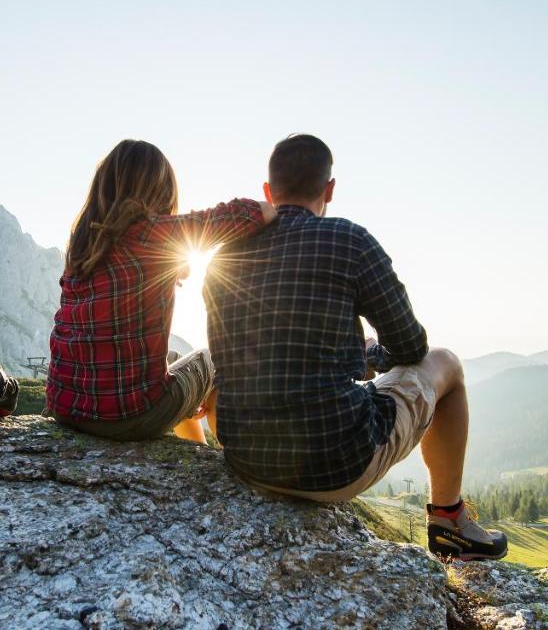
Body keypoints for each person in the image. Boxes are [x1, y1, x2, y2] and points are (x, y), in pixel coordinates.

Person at [203, 134, 507, 560]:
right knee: (448, 365)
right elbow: (409, 344)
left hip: (246, 460)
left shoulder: (223, 257)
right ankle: (449, 521)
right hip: (334, 465)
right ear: (329, 189)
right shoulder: (349, 242)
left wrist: (353, 356)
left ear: (267, 192)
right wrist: (371, 357)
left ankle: (449, 522)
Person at [46, 139, 276, 443]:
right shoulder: (153, 234)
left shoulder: (82, 245)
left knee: (174, 357)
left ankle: (196, 447)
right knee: (210, 360)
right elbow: (248, 214)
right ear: (161, 190)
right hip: (128, 418)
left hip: (66, 409)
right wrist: (277, 207)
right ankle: (223, 464)